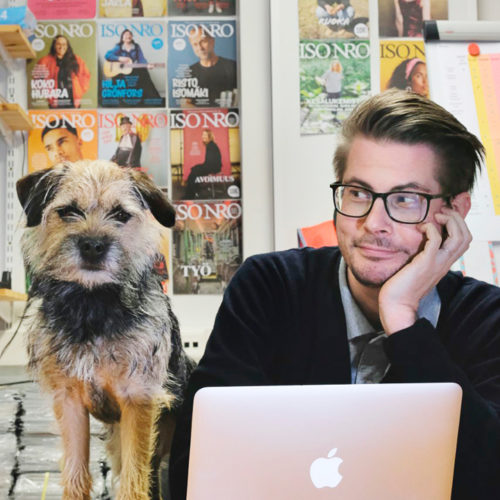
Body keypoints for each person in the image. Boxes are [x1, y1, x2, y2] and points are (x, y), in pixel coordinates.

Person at [168, 89, 500, 500]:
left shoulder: (488, 319)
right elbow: (193, 471)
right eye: (358, 193)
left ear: (456, 211)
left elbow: (488, 478)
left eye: (405, 199)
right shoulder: (270, 288)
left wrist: (402, 319)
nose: (374, 223)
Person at [104, 29, 163, 106]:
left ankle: (152, 100)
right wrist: (119, 58)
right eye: (126, 35)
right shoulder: (119, 47)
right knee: (117, 78)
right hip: (123, 72)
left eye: (130, 34)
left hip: (133, 70)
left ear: (132, 37)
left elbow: (141, 58)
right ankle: (122, 103)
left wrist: (147, 65)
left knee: (144, 72)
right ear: (122, 38)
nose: (128, 36)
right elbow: (107, 55)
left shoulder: (136, 47)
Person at [185, 25, 237, 108]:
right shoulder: (189, 71)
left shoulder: (232, 66)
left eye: (203, 41)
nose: (200, 48)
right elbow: (185, 103)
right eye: (195, 44)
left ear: (212, 41)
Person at [35, 35, 91, 109]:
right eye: (58, 44)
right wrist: (48, 94)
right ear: (54, 46)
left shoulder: (77, 59)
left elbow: (86, 75)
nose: (61, 47)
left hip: (73, 100)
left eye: (64, 44)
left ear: (67, 46)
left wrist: (79, 91)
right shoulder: (45, 61)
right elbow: (37, 79)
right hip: (56, 101)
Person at [183, 129, 221, 199]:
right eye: (202, 135)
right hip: (212, 166)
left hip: (213, 167)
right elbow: (208, 161)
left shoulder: (211, 146)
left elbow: (210, 162)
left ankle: (190, 194)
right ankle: (194, 190)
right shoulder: (210, 145)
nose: (203, 136)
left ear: (209, 136)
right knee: (194, 169)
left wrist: (199, 167)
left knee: (194, 171)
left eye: (205, 135)